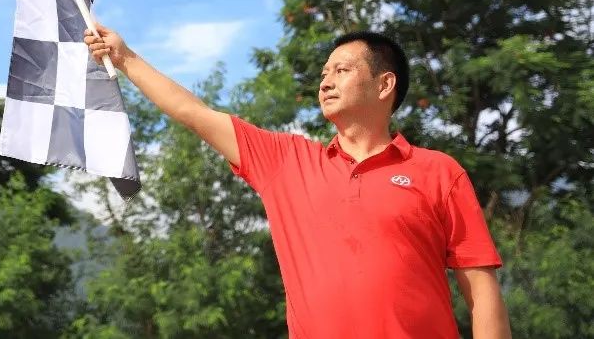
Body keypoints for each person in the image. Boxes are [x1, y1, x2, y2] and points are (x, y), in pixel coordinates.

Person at [84, 25, 511, 338]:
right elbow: (193, 113)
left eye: (341, 70)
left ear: (385, 84)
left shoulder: (439, 171)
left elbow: (481, 290)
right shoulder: (286, 161)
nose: (326, 82)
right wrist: (125, 57)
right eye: (324, 73)